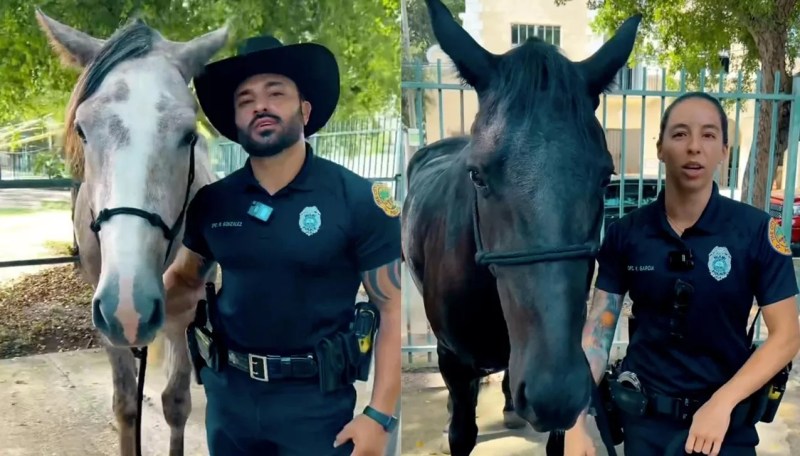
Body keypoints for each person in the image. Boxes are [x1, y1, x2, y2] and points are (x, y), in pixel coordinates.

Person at [162, 34, 402, 455]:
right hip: (229, 403)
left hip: (317, 409)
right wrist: (135, 306)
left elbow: (393, 306)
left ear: (305, 111)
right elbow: (184, 278)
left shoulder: (358, 200)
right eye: (246, 99)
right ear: (235, 123)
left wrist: (379, 415)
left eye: (276, 93)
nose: (260, 106)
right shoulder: (214, 203)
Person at [564, 91, 800, 456]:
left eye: (708, 135)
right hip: (645, 426)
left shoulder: (757, 233)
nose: (694, 147)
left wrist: (722, 403)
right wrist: (575, 421)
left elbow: (786, 336)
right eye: (679, 134)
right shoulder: (626, 234)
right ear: (660, 148)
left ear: (724, 151)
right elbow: (598, 335)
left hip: (725, 427)